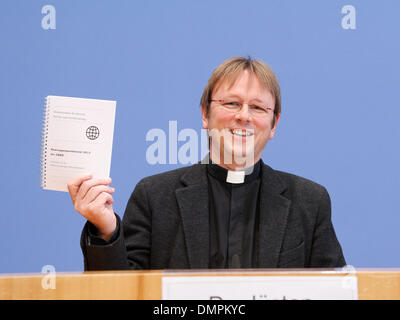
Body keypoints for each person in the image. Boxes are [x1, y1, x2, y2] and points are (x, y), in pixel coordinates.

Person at [68, 57, 346, 270]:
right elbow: (123, 294)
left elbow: (336, 292)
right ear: (205, 114)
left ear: (274, 124)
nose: (244, 117)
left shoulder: (310, 201)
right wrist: (105, 230)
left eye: (258, 108)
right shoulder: (154, 197)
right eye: (231, 104)